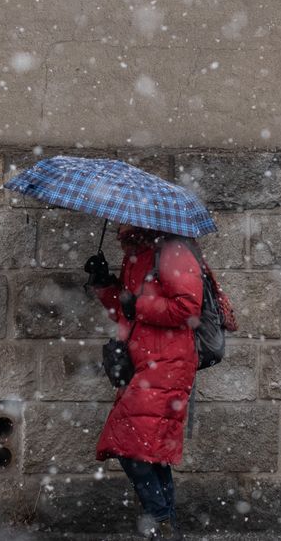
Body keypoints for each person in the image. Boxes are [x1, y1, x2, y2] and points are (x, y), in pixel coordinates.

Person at [84, 223, 203, 541]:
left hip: (168, 363)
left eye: (124, 223)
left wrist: (137, 304)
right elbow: (125, 312)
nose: (119, 227)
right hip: (144, 363)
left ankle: (160, 519)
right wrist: (103, 283)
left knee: (128, 443)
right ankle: (168, 527)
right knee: (149, 450)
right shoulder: (137, 254)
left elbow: (188, 307)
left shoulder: (172, 252)